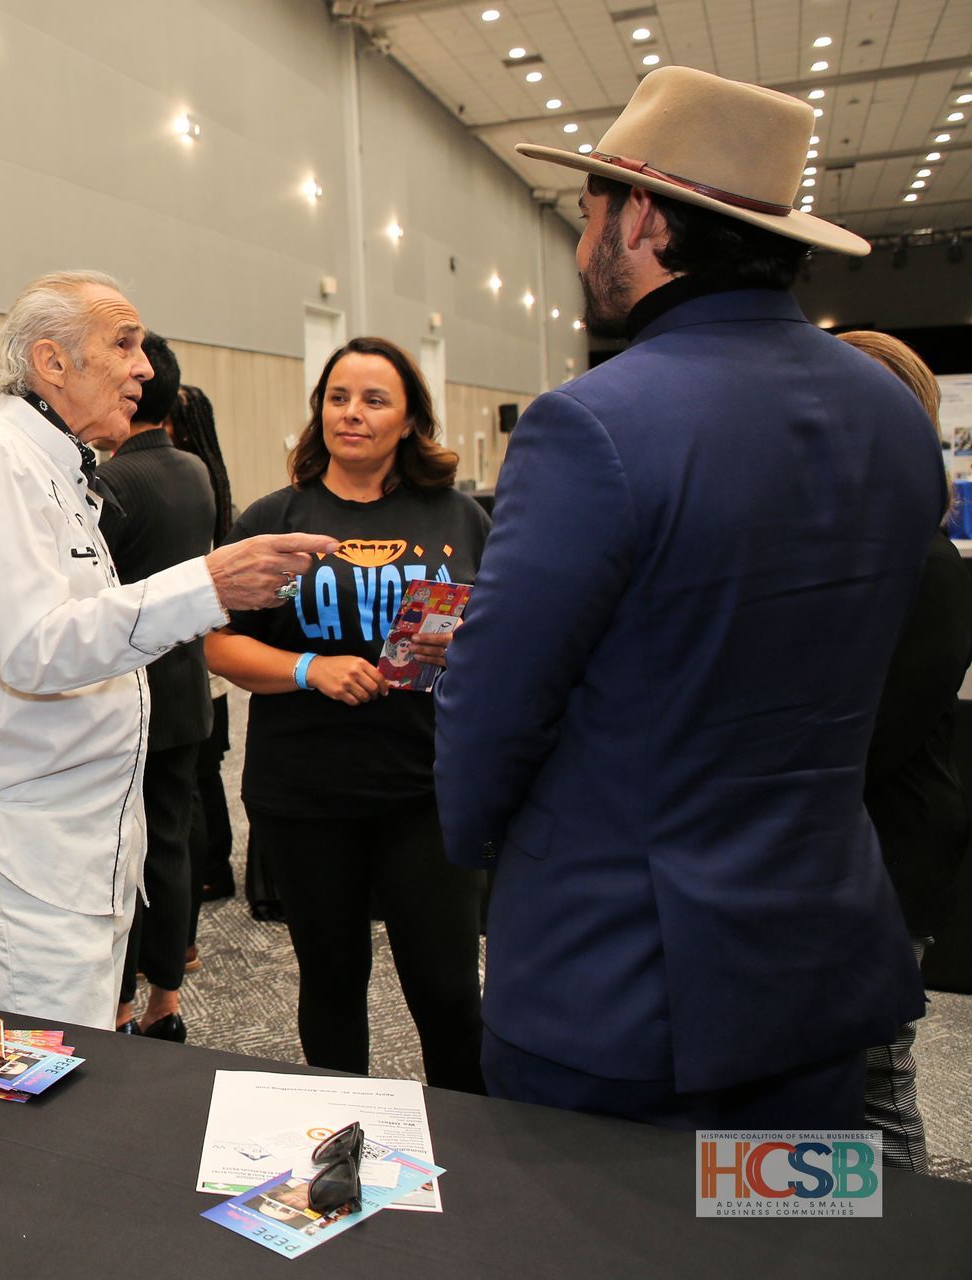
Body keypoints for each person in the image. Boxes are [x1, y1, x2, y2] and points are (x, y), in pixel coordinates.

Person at [435, 67, 943, 1129]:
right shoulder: (892, 414)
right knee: (785, 1211)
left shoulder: (592, 424)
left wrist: (489, 854)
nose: (583, 244)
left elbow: (493, 703)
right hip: (819, 966)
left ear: (645, 218)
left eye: (590, 213)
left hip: (617, 975)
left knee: (595, 1220)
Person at [0, 269, 337, 1028]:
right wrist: (207, 584)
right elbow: (35, 650)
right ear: (52, 362)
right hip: (28, 845)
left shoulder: (59, 467)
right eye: (124, 344)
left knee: (58, 1063)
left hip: (78, 840)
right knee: (49, 1071)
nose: (145, 368)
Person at [205, 338, 489, 1091]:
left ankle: (474, 1145)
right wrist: (309, 668)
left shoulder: (459, 517)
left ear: (410, 419)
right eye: (337, 398)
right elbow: (218, 643)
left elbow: (509, 626)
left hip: (427, 791)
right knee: (331, 985)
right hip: (307, 794)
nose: (351, 414)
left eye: (373, 400)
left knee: (449, 993)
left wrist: (468, 643)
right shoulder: (277, 520)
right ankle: (340, 1138)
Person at [840, 329, 972, 1173]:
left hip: (885, 859)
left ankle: (899, 1237)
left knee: (876, 1090)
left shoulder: (924, 562)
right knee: (827, 1095)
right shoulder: (853, 551)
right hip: (841, 857)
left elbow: (872, 737)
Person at [96, 333, 215, 1041]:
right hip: (185, 687)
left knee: (116, 856)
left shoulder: (109, 483)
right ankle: (165, 1003)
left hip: (126, 697)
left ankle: (116, 1007)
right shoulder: (195, 470)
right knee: (169, 844)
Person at [168, 385, 250, 935]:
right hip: (202, 659)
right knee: (206, 770)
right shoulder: (212, 483)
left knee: (199, 776)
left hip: (201, 655)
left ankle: (213, 868)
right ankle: (215, 866)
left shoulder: (192, 485)